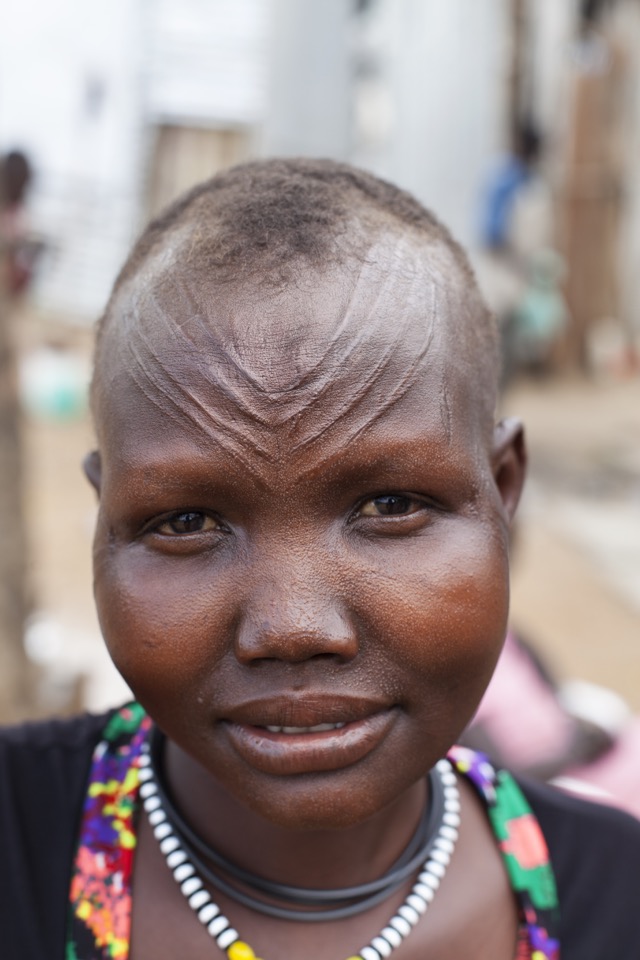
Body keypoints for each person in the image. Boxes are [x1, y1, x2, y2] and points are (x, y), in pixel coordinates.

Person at [1, 158, 639, 960]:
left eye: (391, 506)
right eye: (187, 520)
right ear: (107, 515)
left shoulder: (620, 896)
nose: (293, 627)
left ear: (502, 491)